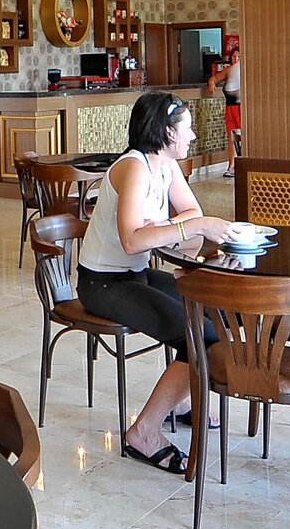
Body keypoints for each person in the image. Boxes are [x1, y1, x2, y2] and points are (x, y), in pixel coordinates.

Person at [77, 92, 232, 475]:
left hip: (136, 274)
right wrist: (188, 228)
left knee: (212, 317)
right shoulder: (134, 167)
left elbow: (190, 210)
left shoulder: (165, 165)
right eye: (187, 128)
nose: (193, 136)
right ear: (166, 132)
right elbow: (133, 240)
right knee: (199, 335)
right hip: (102, 283)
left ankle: (179, 402)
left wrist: (164, 228)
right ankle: (143, 432)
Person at [209, 41, 242, 177]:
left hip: (242, 108)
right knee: (231, 138)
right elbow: (214, 78)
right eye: (234, 56)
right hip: (230, 108)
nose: (236, 59)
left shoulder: (246, 70)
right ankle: (231, 166)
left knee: (242, 137)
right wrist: (211, 83)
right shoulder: (228, 71)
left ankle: (242, 166)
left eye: (239, 57)